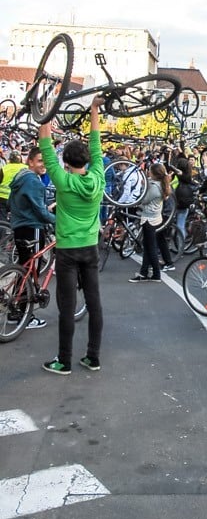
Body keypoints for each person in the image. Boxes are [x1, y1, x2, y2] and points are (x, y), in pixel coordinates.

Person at [38, 95, 105, 375]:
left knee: (67, 307)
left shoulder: (63, 181)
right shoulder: (98, 176)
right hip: (90, 247)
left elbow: (45, 146)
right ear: (87, 161)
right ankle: (93, 357)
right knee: (94, 303)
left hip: (67, 249)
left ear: (66, 162)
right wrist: (94, 110)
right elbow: (96, 143)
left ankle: (64, 360)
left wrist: (44, 114)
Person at [8, 146, 56, 329]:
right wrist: (57, 221)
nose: (43, 165)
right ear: (30, 161)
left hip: (20, 226)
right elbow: (41, 212)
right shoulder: (34, 182)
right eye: (40, 161)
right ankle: (25, 315)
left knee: (24, 267)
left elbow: (16, 204)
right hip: (32, 227)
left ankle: (16, 311)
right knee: (30, 269)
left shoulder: (20, 178)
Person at [129, 162, 171, 283]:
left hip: (148, 218)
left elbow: (144, 200)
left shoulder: (154, 187)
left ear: (154, 174)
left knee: (150, 247)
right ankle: (144, 272)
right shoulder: (162, 185)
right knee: (148, 247)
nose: (148, 173)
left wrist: (143, 187)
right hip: (156, 217)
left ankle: (156, 274)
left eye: (150, 171)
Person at [0, 151, 25, 221]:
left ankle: (3, 229)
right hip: (17, 198)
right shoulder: (25, 168)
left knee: (2, 219)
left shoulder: (4, 168)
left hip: (3, 197)